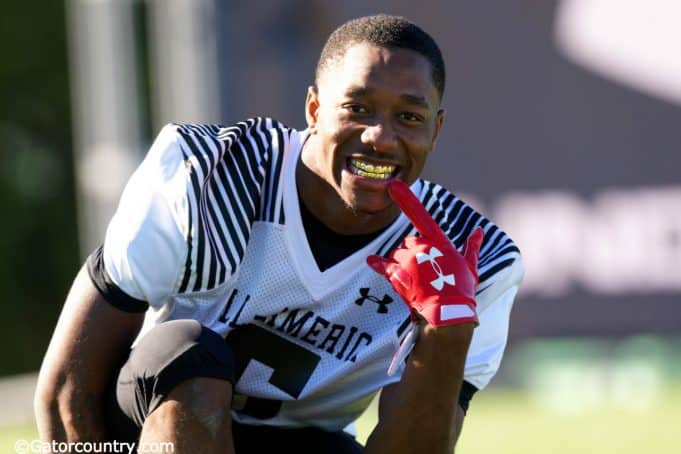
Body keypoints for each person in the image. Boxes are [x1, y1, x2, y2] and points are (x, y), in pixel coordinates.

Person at [34, 14, 523, 454]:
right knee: (188, 352)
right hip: (151, 426)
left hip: (306, 442)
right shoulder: (206, 175)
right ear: (313, 109)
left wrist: (447, 332)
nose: (380, 136)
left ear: (436, 131)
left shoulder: (471, 257)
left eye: (409, 117)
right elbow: (66, 387)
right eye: (357, 108)